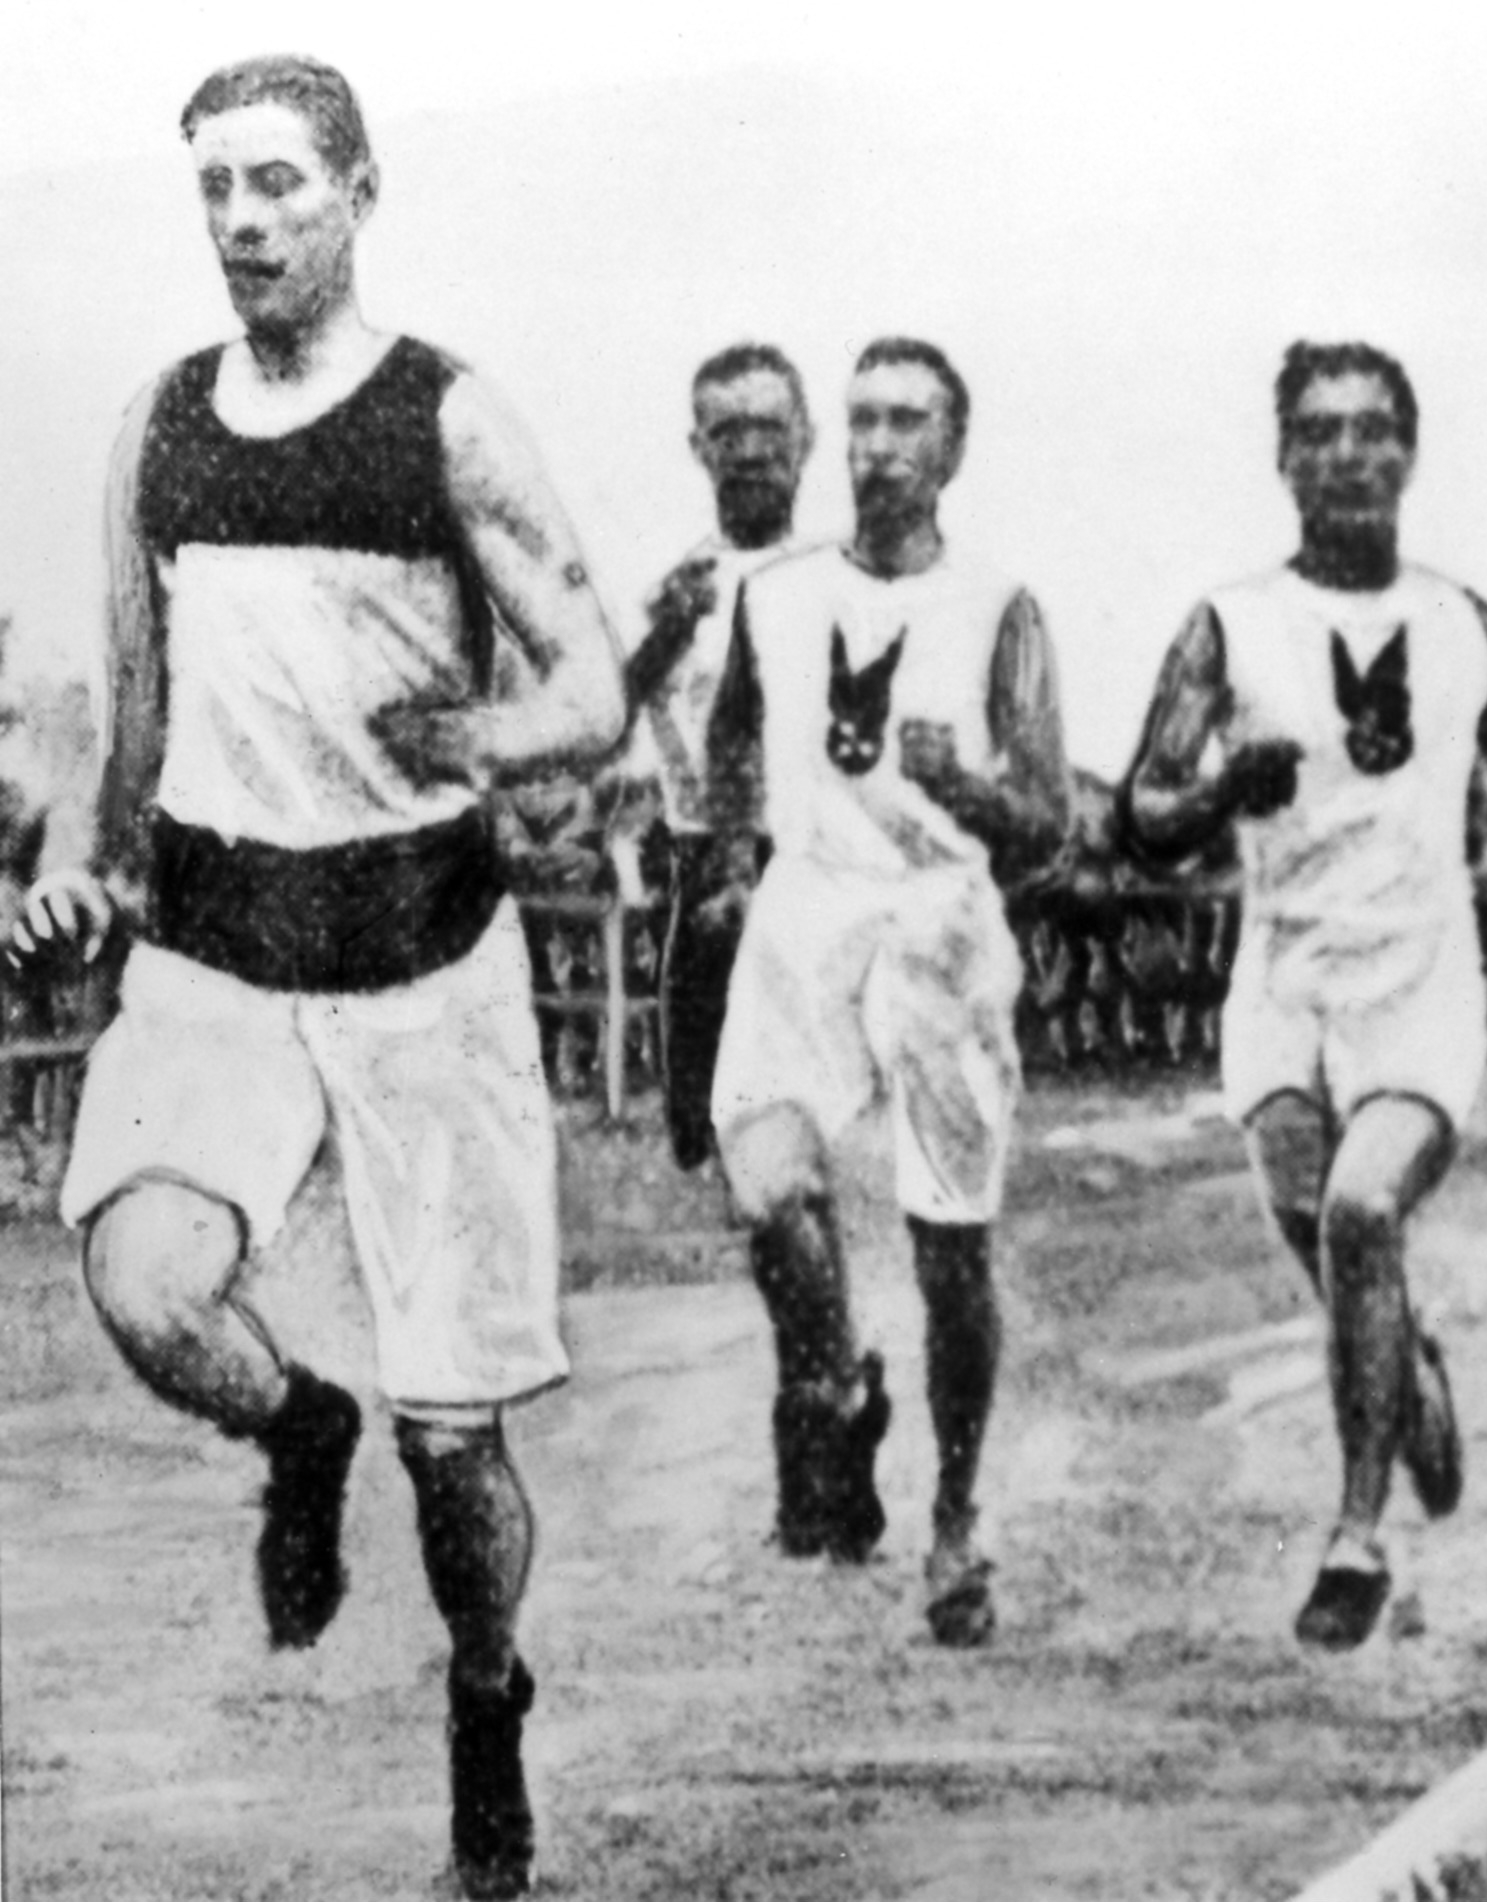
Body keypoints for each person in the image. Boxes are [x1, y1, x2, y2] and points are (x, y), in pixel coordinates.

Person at [12, 57, 625, 1900]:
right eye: (215, 189)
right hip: (217, 945)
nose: (244, 222)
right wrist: (61, 869)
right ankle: (299, 1426)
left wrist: (498, 733)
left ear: (357, 191)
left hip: (417, 956)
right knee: (142, 1279)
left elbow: (592, 681)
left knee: (460, 1447)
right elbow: (120, 714)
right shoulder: (160, 429)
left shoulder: (446, 419)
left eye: (279, 182)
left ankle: (488, 1691)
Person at [1118, 340, 1487, 1651]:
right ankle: (1406, 1366)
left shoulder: (1461, 623)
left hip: (1419, 988)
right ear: (1283, 459)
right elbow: (1146, 804)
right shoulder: (1230, 622)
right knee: (1323, 1225)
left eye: (1374, 429)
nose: (1349, 454)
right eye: (1318, 432)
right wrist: (1213, 793)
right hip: (1283, 987)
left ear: (1410, 453)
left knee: (1366, 1214)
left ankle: (1357, 1531)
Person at [702, 337, 1070, 1648]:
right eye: (859, 418)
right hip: (809, 909)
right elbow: (732, 738)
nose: (877, 444)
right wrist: (727, 860)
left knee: (947, 1244)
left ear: (953, 448)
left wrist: (969, 790)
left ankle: (958, 1518)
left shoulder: (999, 606)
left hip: (938, 934)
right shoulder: (780, 593)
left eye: (908, 421)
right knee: (767, 1184)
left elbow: (1049, 818)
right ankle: (834, 1383)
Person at [621, 343, 817, 1169]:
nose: (749, 450)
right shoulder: (678, 585)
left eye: (768, 427)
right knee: (697, 1120)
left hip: (814, 859)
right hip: (701, 860)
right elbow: (609, 710)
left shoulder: (835, 576)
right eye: (727, 430)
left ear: (804, 438)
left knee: (810, 1100)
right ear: (698, 446)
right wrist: (669, 630)